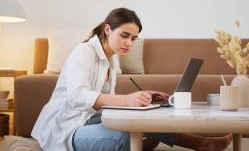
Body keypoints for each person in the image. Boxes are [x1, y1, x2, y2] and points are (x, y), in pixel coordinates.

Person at [31, 8, 232, 151]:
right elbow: (77, 97)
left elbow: (103, 103)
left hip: (87, 120)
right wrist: (127, 100)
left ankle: (200, 143)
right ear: (108, 29)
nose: (129, 43)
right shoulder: (84, 52)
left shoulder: (112, 59)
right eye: (124, 35)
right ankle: (138, 145)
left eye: (133, 38)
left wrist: (139, 99)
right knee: (124, 136)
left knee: (145, 117)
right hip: (66, 128)